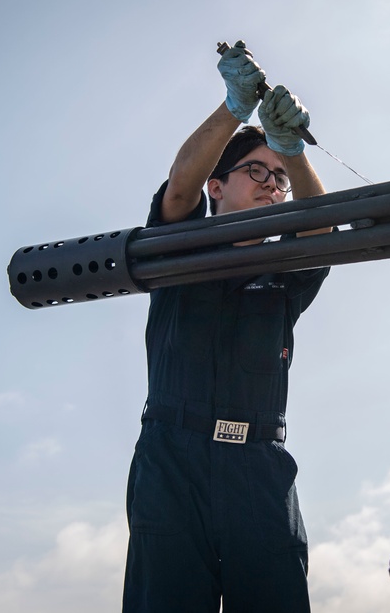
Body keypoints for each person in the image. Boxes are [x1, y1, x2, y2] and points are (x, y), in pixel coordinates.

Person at [122, 40, 331, 613]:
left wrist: (294, 150)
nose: (272, 182)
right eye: (256, 170)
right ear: (219, 187)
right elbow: (179, 187)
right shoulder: (177, 246)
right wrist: (235, 107)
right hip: (171, 460)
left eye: (280, 177)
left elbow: (320, 231)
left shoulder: (286, 273)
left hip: (258, 467)